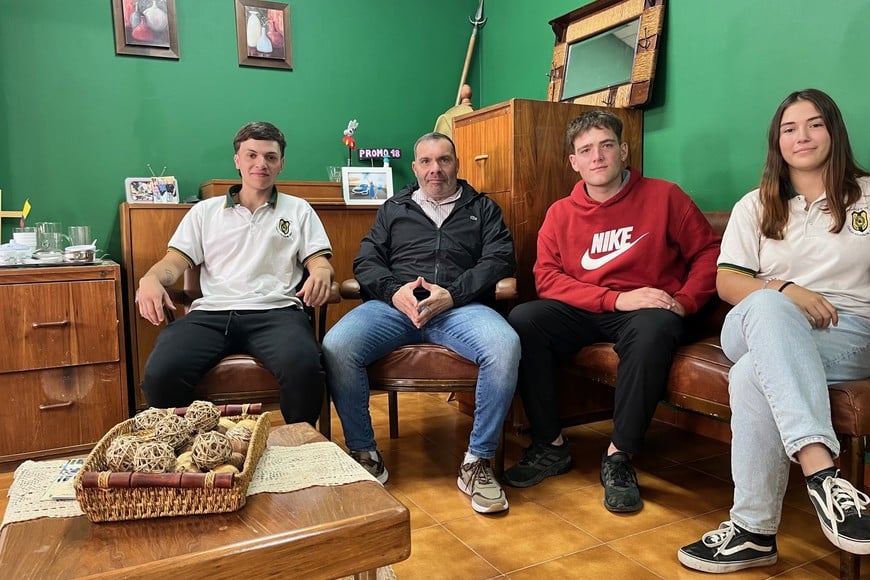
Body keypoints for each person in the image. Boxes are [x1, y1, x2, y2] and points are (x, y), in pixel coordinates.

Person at [678, 89, 870, 572]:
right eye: (789, 128)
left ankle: (753, 532)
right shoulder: (755, 205)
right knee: (767, 307)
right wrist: (786, 291)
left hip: (849, 332)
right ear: (776, 142)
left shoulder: (867, 196)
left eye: (814, 124)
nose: (801, 136)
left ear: (835, 130)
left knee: (750, 377)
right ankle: (824, 476)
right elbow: (726, 281)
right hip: (753, 322)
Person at [503, 110, 720, 513]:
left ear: (623, 150)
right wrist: (615, 299)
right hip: (593, 307)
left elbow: (709, 253)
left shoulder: (665, 196)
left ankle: (619, 456)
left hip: (649, 311)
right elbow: (547, 278)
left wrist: (685, 301)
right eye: (585, 150)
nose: (597, 157)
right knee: (525, 319)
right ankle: (550, 445)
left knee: (656, 325)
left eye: (605, 146)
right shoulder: (560, 213)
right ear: (574, 162)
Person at [323, 132, 519, 514]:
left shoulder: (483, 208)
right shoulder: (394, 208)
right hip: (394, 308)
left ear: (456, 164)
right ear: (414, 168)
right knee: (337, 345)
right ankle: (364, 452)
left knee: (505, 345)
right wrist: (394, 290)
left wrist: (453, 293)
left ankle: (477, 462)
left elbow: (499, 260)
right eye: (427, 162)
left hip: (459, 309)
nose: (436, 169)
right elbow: (366, 262)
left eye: (444, 160)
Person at [136, 121, 334, 425]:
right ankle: (195, 447)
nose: (261, 164)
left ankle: (300, 449)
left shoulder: (299, 210)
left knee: (304, 368)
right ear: (237, 161)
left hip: (276, 312)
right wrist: (150, 279)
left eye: (270, 157)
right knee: (161, 373)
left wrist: (322, 272)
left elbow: (319, 261)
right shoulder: (205, 212)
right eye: (251, 155)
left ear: (281, 163)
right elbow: (172, 263)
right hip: (212, 313)